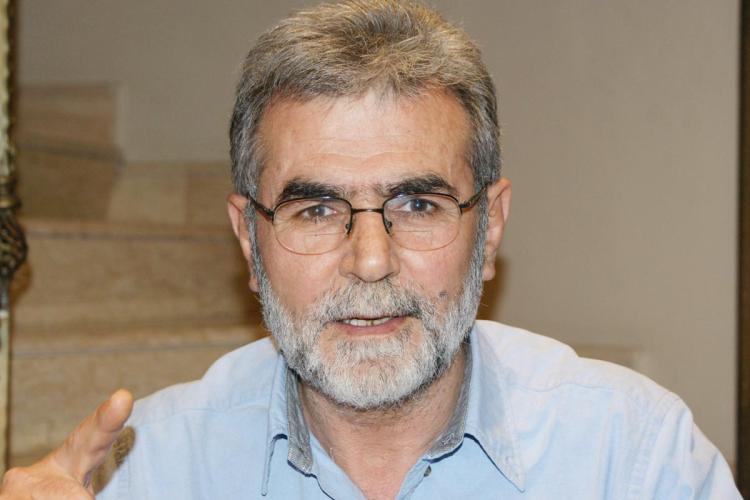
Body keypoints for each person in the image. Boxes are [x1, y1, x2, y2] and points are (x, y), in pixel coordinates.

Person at [0, 1, 741, 498]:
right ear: (249, 241)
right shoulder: (152, 472)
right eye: (317, 209)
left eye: (417, 204)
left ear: (489, 229)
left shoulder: (631, 456)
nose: (371, 261)